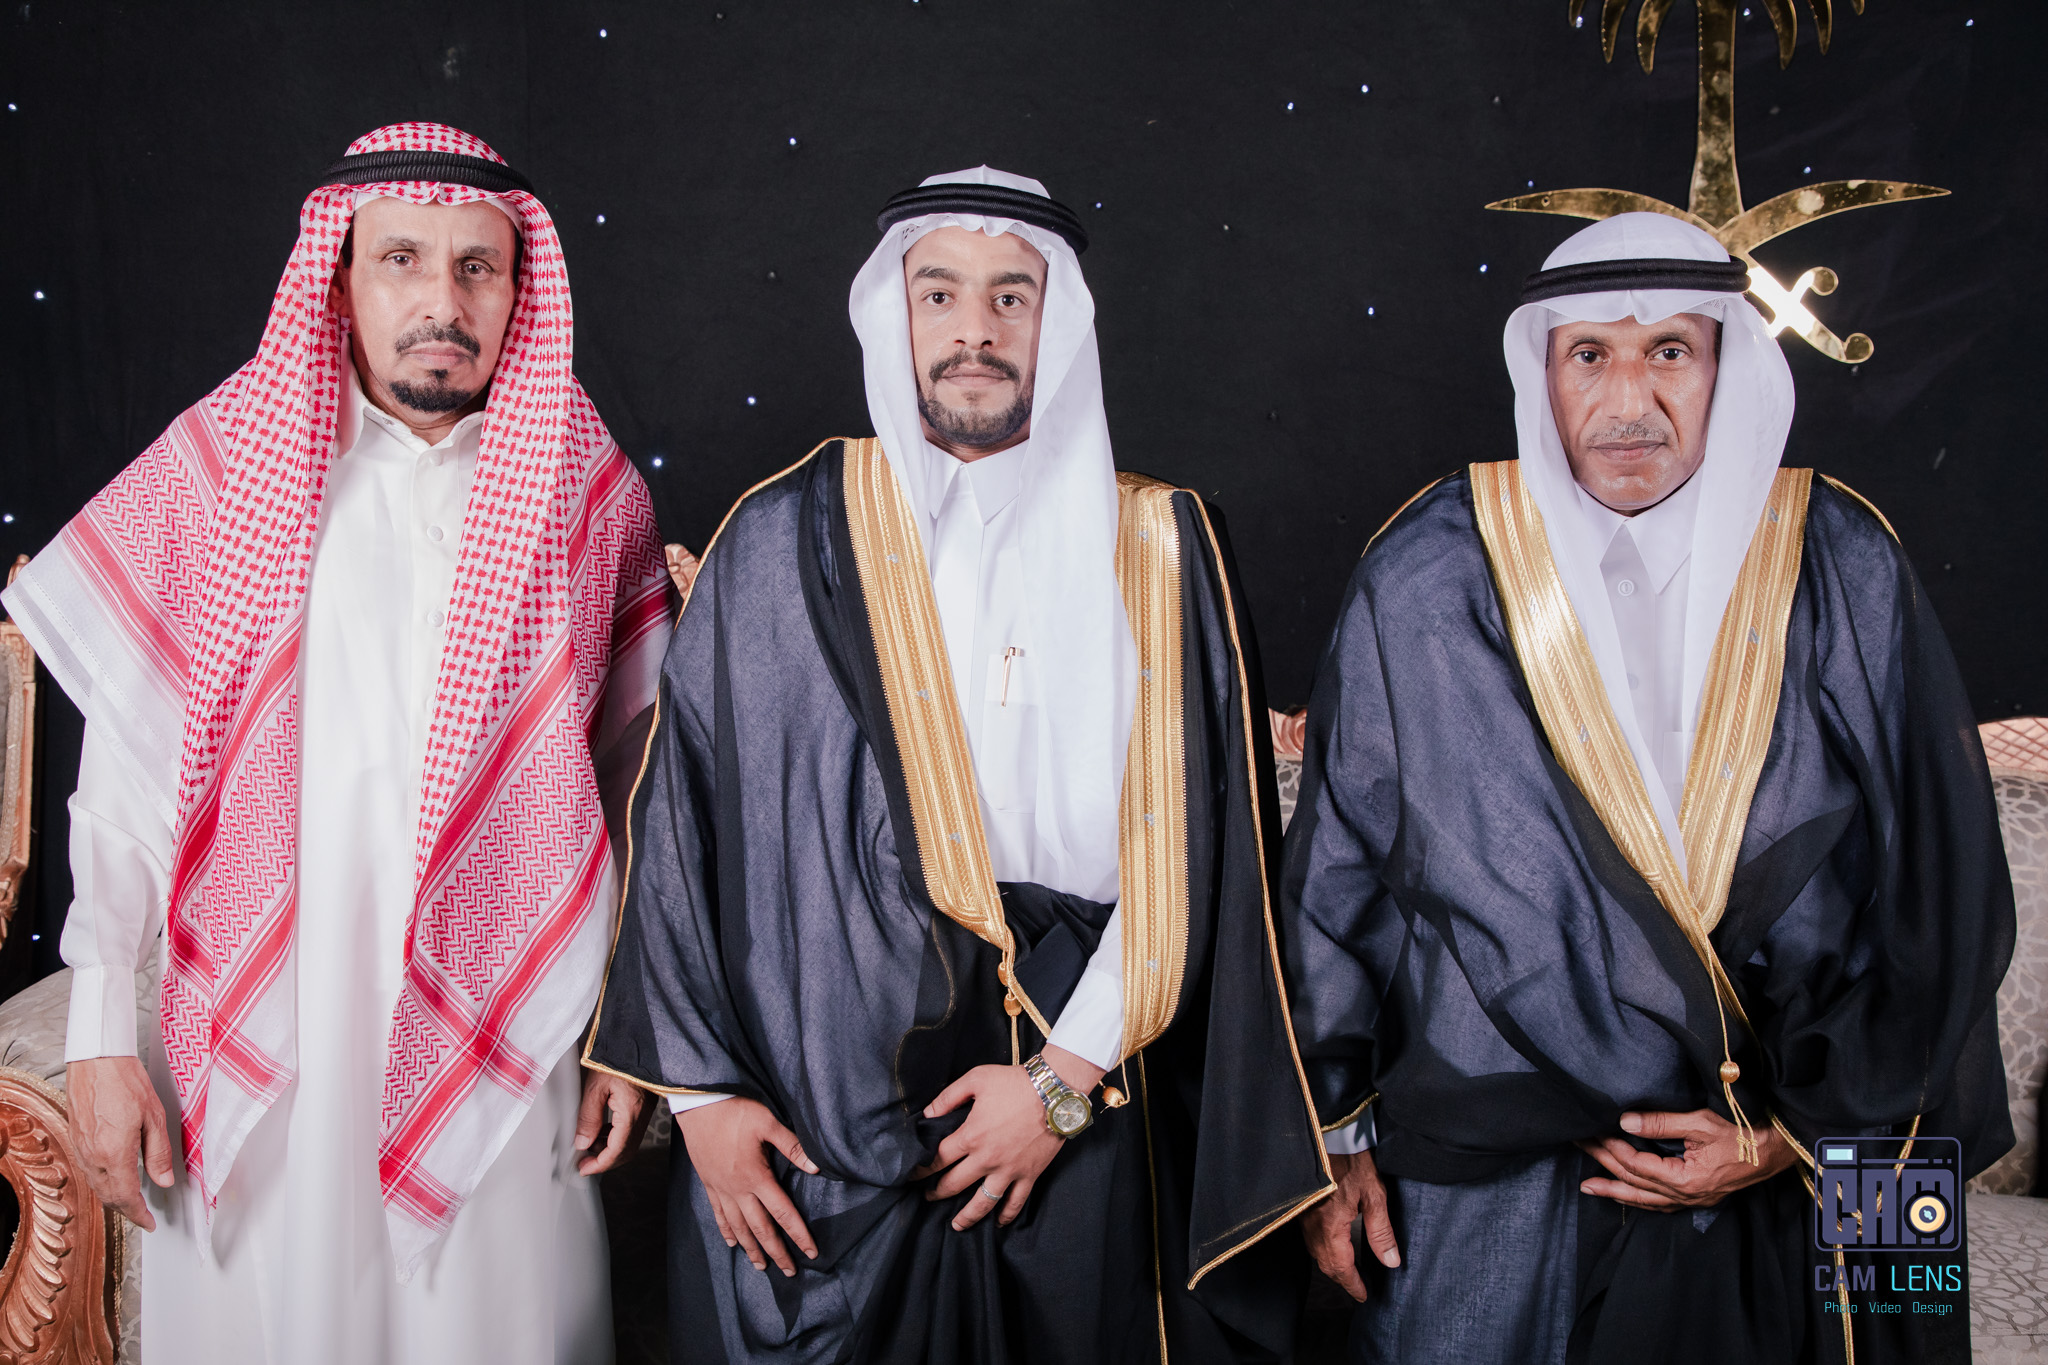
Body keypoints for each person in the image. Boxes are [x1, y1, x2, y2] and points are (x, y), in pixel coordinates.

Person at [584, 167, 1330, 1363]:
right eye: (938, 294)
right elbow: (683, 828)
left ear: (1057, 322)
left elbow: (1204, 852)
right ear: (895, 314)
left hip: (1085, 1077)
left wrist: (1062, 1082)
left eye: (1008, 298)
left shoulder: (1161, 543)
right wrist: (706, 1102)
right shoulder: (782, 537)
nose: (972, 329)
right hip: (823, 1094)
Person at [1277, 212, 2013, 1365]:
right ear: (1542, 371)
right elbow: (1338, 875)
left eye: (1668, 350)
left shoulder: (1839, 557)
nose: (1628, 400)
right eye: (1589, 355)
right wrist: (1329, 1139)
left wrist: (1795, 1140)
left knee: (1887, 1309)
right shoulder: (1428, 566)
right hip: (1492, 1133)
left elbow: (1936, 881)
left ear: (1724, 365)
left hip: (1802, 1117)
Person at [1, 123, 673, 1363]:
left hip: (499, 1035)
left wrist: (630, 1028)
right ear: (340, 277)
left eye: (477, 267)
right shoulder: (218, 472)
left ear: (518, 292)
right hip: (265, 1040)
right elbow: (126, 785)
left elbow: (637, 799)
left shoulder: (586, 493)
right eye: (401, 259)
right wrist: (98, 1031)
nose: (441, 302)